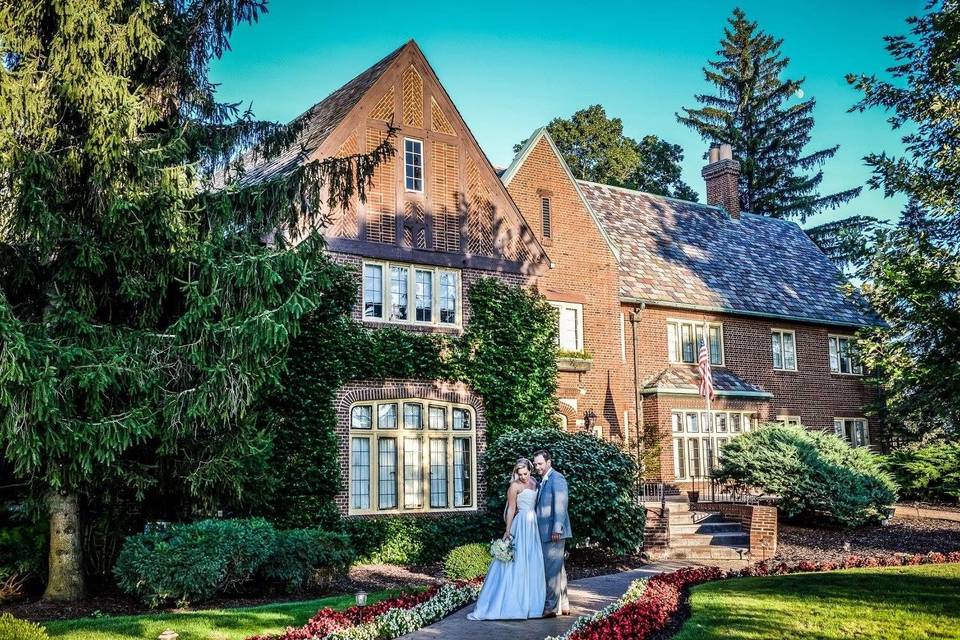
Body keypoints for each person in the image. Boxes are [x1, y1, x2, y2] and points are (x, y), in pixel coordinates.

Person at [467, 458, 546, 620]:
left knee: (532, 560)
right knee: (517, 562)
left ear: (530, 471)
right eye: (520, 474)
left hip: (533, 525)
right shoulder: (514, 486)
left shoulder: (535, 482)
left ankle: (532, 604)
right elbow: (511, 509)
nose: (523, 477)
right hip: (521, 524)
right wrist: (508, 530)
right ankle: (512, 604)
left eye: (525, 473)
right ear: (515, 473)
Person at [533, 449, 571, 618]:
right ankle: (564, 604)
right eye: (535, 464)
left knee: (551, 570)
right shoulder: (542, 481)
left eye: (540, 464)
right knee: (558, 569)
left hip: (553, 532)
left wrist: (557, 528)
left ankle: (550, 607)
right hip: (545, 532)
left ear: (549, 462)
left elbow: (561, 504)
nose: (537, 467)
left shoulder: (557, 478)